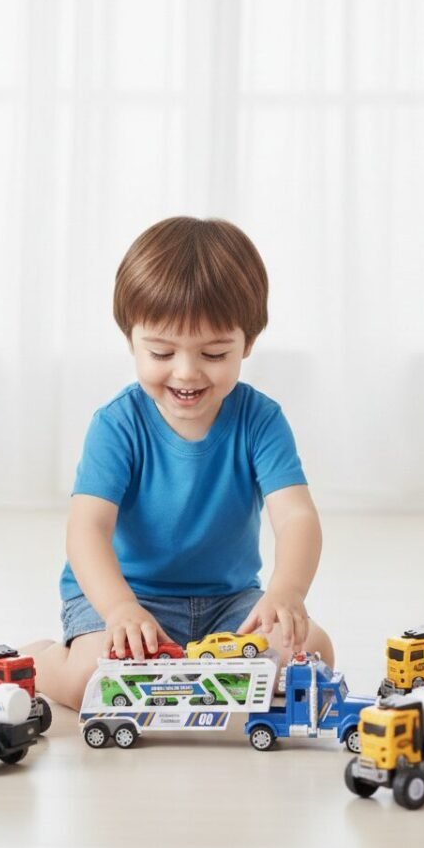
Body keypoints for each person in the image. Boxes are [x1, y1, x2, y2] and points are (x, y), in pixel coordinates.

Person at [21, 216, 334, 709]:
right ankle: (40, 661)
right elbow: (87, 530)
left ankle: (198, 671)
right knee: (93, 682)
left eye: (214, 353)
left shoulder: (261, 420)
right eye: (162, 352)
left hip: (230, 603)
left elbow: (296, 516)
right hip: (125, 596)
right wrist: (119, 607)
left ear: (247, 343)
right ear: (132, 340)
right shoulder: (117, 424)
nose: (186, 372)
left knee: (311, 654)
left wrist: (286, 591)